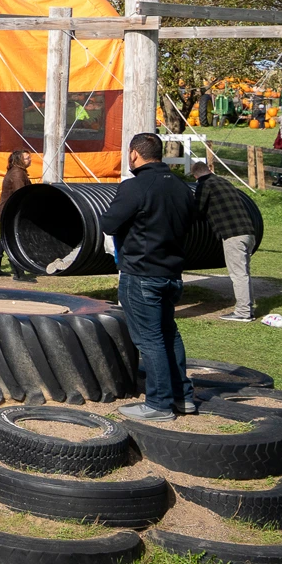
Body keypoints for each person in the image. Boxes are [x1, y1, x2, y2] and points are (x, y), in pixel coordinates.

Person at [100, 133, 196, 422]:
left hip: (141, 274)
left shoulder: (135, 186)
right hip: (172, 273)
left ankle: (158, 403)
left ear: (134, 154)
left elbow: (109, 223)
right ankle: (182, 397)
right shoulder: (181, 186)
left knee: (150, 340)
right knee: (169, 334)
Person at [191, 162, 257, 322]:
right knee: (244, 273)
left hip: (233, 235)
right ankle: (248, 308)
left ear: (195, 175)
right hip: (249, 232)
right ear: (209, 169)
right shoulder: (224, 181)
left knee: (238, 274)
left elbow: (197, 211)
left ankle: (243, 312)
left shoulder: (204, 185)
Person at [0, 150, 33, 282]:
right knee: (14, 240)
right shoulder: (17, 174)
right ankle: (19, 273)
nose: (30, 160)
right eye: (26, 158)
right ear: (19, 160)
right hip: (11, 212)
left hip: (8, 211)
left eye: (29, 157)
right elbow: (20, 194)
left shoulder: (18, 171)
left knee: (5, 240)